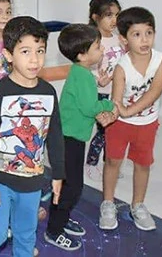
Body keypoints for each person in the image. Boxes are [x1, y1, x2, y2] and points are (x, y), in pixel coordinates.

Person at [0, 16, 66, 257]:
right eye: (25, 51)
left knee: (26, 234)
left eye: (40, 51)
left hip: (32, 181)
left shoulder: (48, 92)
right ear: (9, 55)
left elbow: (55, 135)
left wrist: (58, 173)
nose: (34, 59)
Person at [43, 24, 116, 251]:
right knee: (72, 187)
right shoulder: (83, 76)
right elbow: (90, 107)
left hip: (70, 136)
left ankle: (62, 219)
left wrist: (98, 84)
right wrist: (110, 104)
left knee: (70, 184)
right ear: (82, 55)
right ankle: (54, 230)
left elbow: (85, 97)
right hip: (69, 139)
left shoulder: (80, 71)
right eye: (97, 47)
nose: (102, 49)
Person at [100, 7, 162, 232]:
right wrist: (112, 114)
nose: (144, 40)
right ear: (124, 39)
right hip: (120, 124)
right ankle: (108, 203)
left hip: (146, 123)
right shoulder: (121, 67)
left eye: (149, 33)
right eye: (136, 34)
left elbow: (155, 91)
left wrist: (129, 111)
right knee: (113, 161)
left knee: (143, 164)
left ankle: (138, 204)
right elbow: (116, 100)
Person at [86, 0, 125, 181]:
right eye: (109, 15)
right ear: (96, 17)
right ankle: (92, 163)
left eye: (117, 15)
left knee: (115, 132)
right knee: (103, 131)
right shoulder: (93, 42)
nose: (114, 20)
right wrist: (98, 81)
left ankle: (110, 164)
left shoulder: (119, 39)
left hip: (117, 93)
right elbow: (87, 68)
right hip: (101, 93)